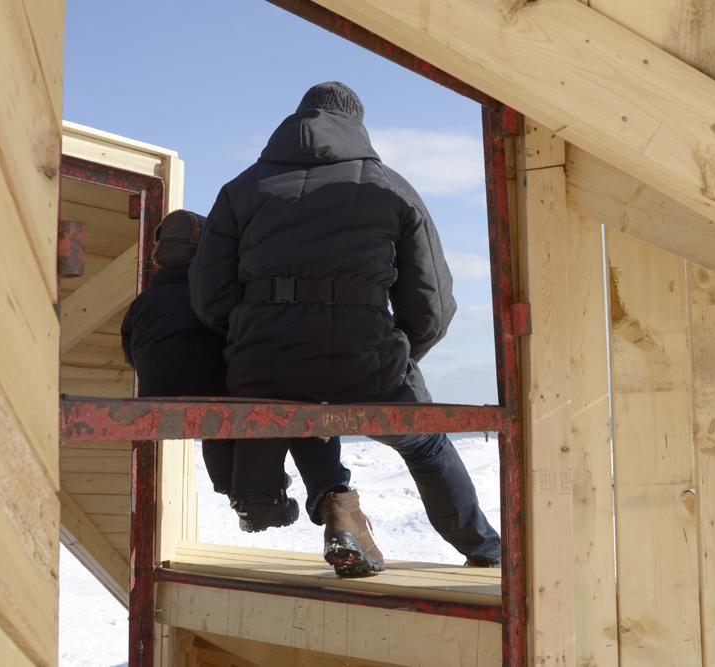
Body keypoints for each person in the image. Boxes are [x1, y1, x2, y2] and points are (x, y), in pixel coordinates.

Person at [189, 82, 502, 577]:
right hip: (365, 358)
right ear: (357, 124)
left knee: (298, 410)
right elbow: (433, 301)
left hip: (263, 364)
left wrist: (252, 335)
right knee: (425, 443)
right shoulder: (389, 186)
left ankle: (337, 508)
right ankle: (484, 550)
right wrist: (401, 353)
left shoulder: (240, 189)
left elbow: (209, 294)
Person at [121, 209, 351, 533]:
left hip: (158, 401)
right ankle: (273, 497)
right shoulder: (214, 293)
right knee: (270, 394)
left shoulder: (142, 303)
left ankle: (237, 491)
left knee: (218, 412)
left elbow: (130, 352)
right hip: (217, 398)